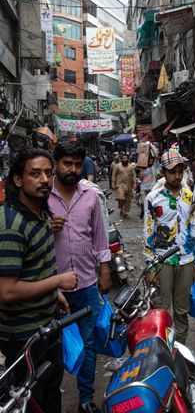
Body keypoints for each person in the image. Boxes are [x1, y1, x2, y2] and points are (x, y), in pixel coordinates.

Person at [0, 148, 78, 413]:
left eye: (48, 173)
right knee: (31, 401)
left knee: (51, 391)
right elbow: (7, 291)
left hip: (46, 326)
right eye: (35, 174)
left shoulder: (41, 215)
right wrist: (57, 282)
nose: (45, 179)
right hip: (23, 335)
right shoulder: (12, 225)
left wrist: (54, 294)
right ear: (18, 179)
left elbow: (32, 271)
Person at [48, 141, 111, 413]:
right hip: (52, 287)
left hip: (86, 283)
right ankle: (53, 397)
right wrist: (46, 227)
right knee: (54, 345)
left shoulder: (90, 195)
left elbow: (99, 235)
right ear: (56, 164)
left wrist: (105, 269)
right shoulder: (42, 196)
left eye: (77, 164)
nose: (72, 169)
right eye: (67, 164)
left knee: (87, 343)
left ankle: (85, 398)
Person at [143, 150, 195, 344]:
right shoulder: (152, 198)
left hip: (186, 260)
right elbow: (148, 233)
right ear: (163, 173)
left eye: (180, 171)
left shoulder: (189, 197)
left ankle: (180, 352)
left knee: (182, 311)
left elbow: (193, 229)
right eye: (172, 172)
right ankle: (161, 350)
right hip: (162, 261)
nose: (177, 176)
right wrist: (150, 268)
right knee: (160, 309)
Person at [112, 153, 136, 218]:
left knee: (128, 200)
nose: (124, 159)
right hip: (120, 185)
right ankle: (122, 209)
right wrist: (113, 183)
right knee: (121, 198)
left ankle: (124, 212)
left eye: (125, 158)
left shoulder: (131, 167)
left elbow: (133, 175)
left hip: (129, 185)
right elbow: (114, 175)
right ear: (121, 159)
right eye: (123, 158)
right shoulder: (118, 166)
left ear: (128, 159)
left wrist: (135, 184)